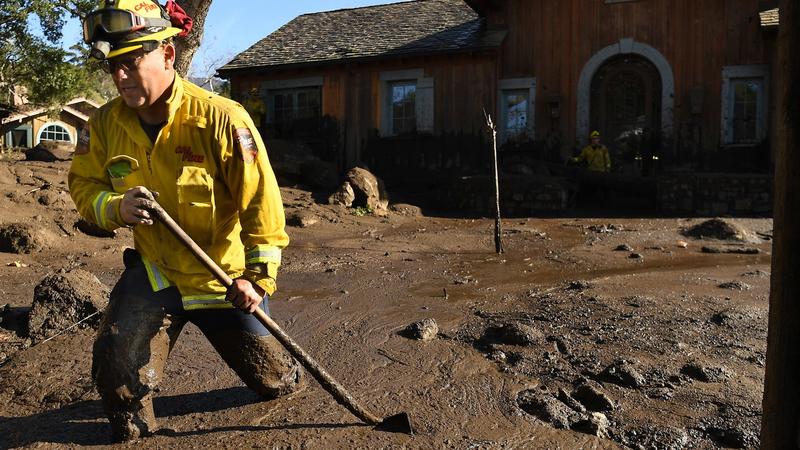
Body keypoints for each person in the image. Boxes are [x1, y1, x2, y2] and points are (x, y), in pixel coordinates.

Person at [69, 0, 302, 442]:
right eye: (113, 66)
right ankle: (137, 433)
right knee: (115, 366)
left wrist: (258, 278)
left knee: (272, 381)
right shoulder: (103, 124)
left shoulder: (222, 118)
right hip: (156, 272)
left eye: (132, 63)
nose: (120, 78)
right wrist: (114, 208)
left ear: (168, 55)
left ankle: (284, 375)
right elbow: (83, 186)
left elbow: (261, 207)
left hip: (224, 280)